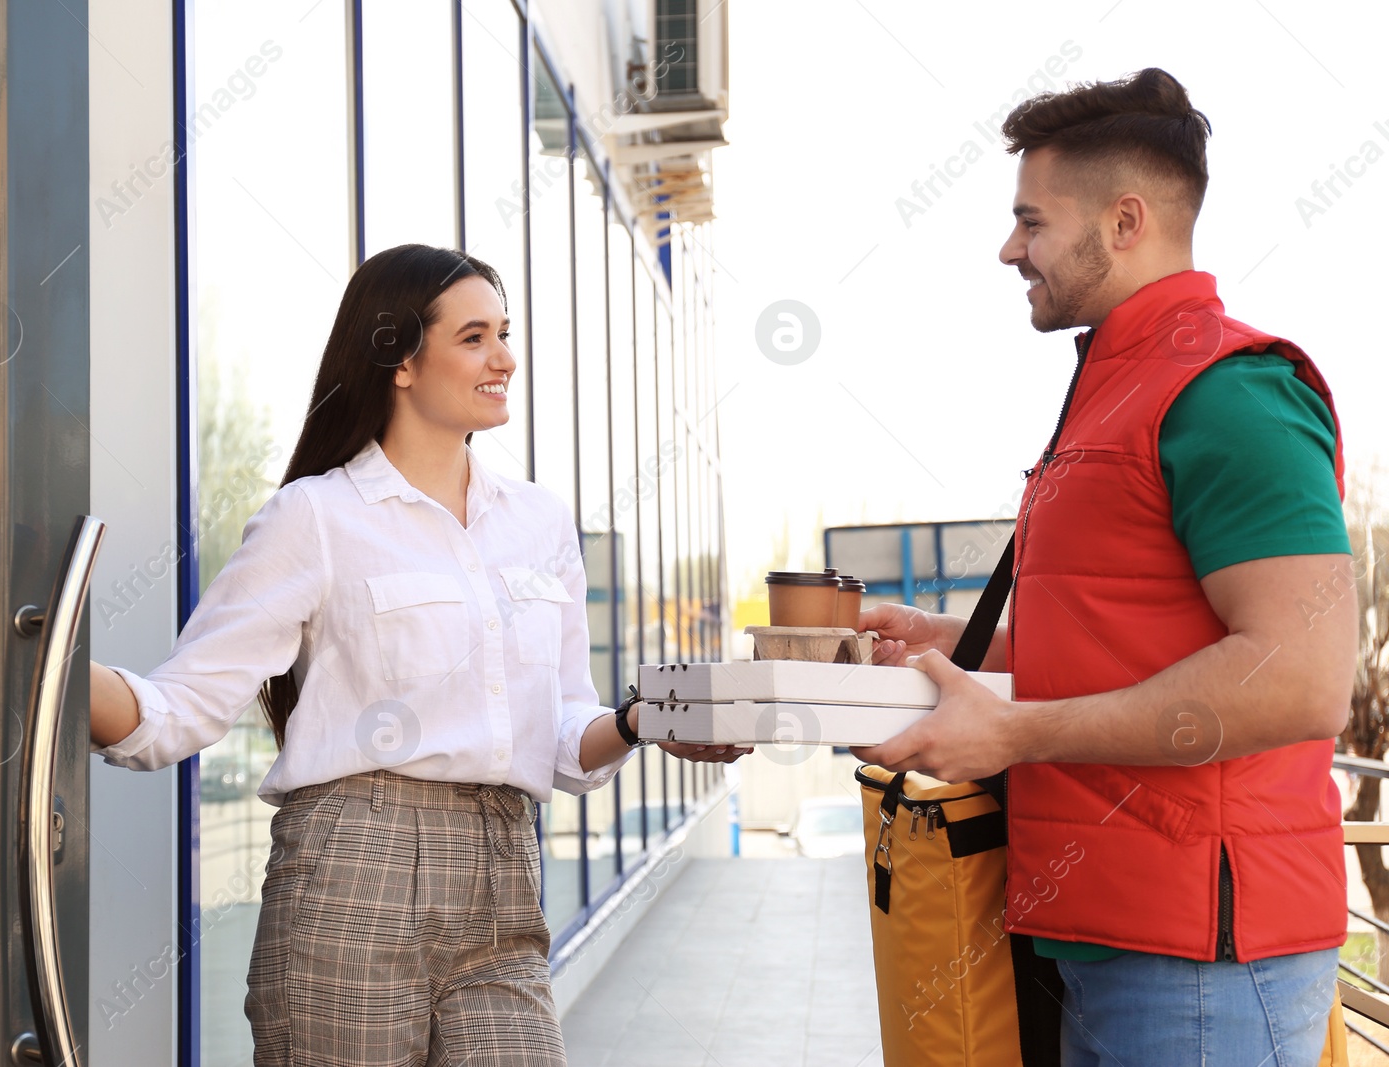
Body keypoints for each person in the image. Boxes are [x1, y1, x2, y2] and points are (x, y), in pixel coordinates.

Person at [89, 243, 745, 1066]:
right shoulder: (316, 517)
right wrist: (49, 678)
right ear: (399, 357)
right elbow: (178, 708)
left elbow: (562, 733)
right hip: (353, 879)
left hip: (505, 876)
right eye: (475, 337)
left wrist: (639, 720)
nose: (505, 357)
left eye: (504, 333)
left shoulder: (539, 524)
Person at [855, 69, 1354, 1064]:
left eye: (1030, 221)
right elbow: (1124, 638)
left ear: (1124, 220)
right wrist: (960, 645)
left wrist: (1016, 730)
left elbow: (1298, 679)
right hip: (1108, 933)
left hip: (1199, 959)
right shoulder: (1115, 384)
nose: (1008, 249)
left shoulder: (1230, 392)